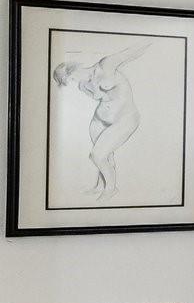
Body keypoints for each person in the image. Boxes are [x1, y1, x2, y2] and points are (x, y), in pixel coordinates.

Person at [52, 40, 151, 200]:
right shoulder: (83, 86)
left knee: (97, 155)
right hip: (99, 121)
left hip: (124, 119)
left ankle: (110, 190)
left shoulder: (106, 65)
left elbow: (131, 52)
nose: (73, 83)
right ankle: (100, 186)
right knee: (104, 156)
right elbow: (102, 99)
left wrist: (151, 42)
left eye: (69, 79)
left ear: (72, 71)